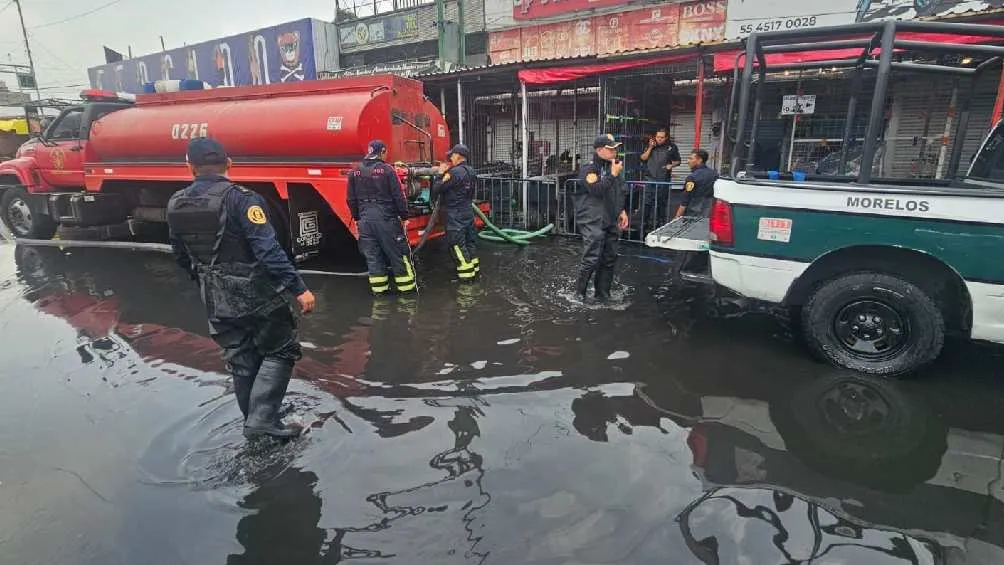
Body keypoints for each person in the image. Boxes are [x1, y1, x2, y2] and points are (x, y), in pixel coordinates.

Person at [166, 138, 316, 440]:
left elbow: (180, 255)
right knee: (281, 349)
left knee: (241, 359)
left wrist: (207, 283)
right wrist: (299, 288)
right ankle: (262, 421)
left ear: (189, 166)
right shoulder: (242, 199)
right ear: (229, 163)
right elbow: (268, 250)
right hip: (256, 294)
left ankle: (255, 420)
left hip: (214, 295)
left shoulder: (175, 203)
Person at [347, 140, 417, 295]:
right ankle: (408, 296)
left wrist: (358, 218)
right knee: (399, 255)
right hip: (386, 219)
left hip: (365, 221)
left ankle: (380, 295)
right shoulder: (387, 170)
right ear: (382, 151)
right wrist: (404, 216)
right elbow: (398, 196)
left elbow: (351, 199)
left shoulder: (355, 171)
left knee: (373, 258)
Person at [575, 134, 630, 301]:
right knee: (592, 257)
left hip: (610, 217)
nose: (615, 151)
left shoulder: (615, 167)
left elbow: (620, 190)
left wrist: (622, 211)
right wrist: (612, 175)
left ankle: (603, 293)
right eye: (611, 148)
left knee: (609, 257)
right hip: (593, 219)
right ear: (599, 150)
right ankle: (580, 294)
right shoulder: (589, 170)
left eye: (615, 148)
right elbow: (597, 190)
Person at [432, 144, 479, 281]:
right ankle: (474, 272)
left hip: (455, 213)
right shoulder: (471, 171)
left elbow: (437, 188)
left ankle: (466, 278)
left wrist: (440, 173)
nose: (450, 157)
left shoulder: (454, 173)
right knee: (469, 242)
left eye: (452, 155)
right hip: (467, 210)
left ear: (458, 155)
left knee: (457, 244)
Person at [639, 128, 681, 227]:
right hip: (649, 178)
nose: (659, 139)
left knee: (661, 201)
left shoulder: (672, 147)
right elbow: (643, 158)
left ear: (666, 137)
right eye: (658, 137)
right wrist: (650, 147)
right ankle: (644, 223)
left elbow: (678, 161)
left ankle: (660, 222)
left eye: (662, 137)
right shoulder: (650, 145)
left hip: (663, 179)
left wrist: (671, 165)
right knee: (647, 201)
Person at [672, 149, 717, 220]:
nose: (688, 161)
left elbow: (686, 199)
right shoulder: (715, 174)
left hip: (693, 213)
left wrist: (677, 217)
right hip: (710, 213)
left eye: (691, 158)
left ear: (700, 160)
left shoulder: (692, 177)